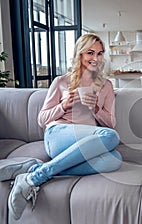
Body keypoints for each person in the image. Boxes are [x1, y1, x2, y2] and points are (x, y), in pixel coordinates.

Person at [1, 33, 122, 220]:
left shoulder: (106, 85)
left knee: (115, 160)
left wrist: (96, 108)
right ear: (80, 54)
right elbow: (42, 119)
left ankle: (34, 170)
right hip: (59, 134)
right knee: (111, 137)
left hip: (86, 139)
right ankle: (36, 178)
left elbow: (111, 122)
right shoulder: (61, 82)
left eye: (99, 53)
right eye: (90, 53)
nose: (96, 58)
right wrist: (64, 106)